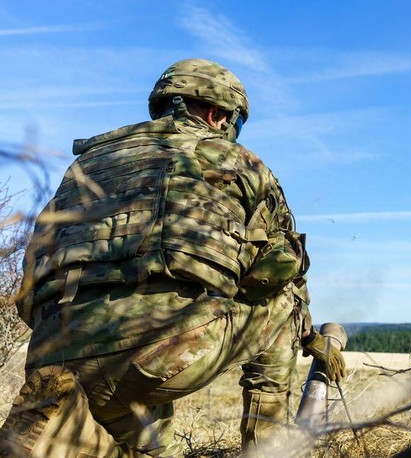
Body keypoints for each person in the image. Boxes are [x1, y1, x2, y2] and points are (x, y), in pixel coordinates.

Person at [0, 59, 345, 457]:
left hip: (53, 356)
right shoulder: (236, 161)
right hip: (158, 356)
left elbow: (32, 274)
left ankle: (55, 435)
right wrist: (312, 339)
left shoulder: (84, 166)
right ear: (217, 114)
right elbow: (280, 266)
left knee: (145, 443)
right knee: (282, 303)